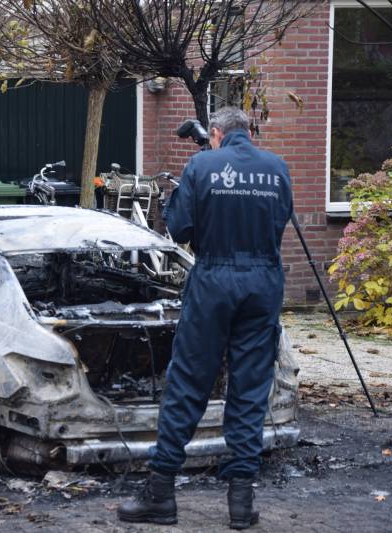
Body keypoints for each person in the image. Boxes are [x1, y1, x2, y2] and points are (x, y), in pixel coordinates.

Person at [117, 107, 293, 530]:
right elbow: (280, 221)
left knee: (189, 381)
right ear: (247, 131)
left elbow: (178, 230)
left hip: (215, 279)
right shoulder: (277, 167)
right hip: (263, 282)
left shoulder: (201, 166)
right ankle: (241, 502)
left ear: (215, 133)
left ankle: (161, 493)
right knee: (251, 387)